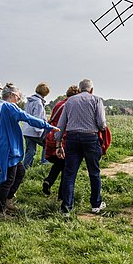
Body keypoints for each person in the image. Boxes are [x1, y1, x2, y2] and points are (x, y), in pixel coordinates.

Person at [0, 84, 59, 220]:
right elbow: (27, 117)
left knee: (20, 172)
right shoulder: (7, 107)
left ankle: (7, 200)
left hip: (3, 147)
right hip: (8, 149)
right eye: (18, 97)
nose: (18, 100)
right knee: (8, 179)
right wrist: (48, 126)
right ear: (11, 95)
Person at [55, 78, 107, 216]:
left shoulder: (70, 101)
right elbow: (102, 123)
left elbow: (61, 124)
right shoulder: (96, 100)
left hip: (72, 138)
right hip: (90, 138)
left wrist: (58, 144)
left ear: (79, 89)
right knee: (94, 172)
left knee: (69, 174)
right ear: (91, 89)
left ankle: (66, 208)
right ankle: (96, 204)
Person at [42, 85, 80, 200]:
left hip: (52, 136)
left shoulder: (58, 104)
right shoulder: (71, 105)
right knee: (66, 167)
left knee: (60, 163)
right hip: (62, 138)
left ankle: (49, 181)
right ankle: (62, 196)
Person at [22, 82, 49, 169]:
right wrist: (41, 132)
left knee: (30, 151)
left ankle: (25, 168)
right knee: (47, 144)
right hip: (34, 131)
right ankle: (44, 163)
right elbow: (38, 118)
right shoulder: (38, 103)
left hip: (26, 130)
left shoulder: (29, 101)